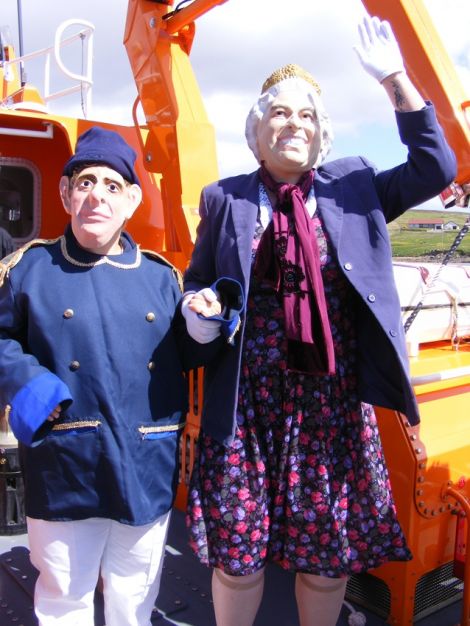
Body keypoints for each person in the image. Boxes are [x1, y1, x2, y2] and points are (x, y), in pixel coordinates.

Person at [180, 14, 457, 626]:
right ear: (257, 130)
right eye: (280, 113)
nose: (294, 124)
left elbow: (438, 167)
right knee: (238, 557)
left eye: (307, 115)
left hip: (329, 408)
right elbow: (200, 278)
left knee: (326, 560)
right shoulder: (223, 198)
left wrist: (394, 82)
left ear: (321, 134)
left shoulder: (352, 186)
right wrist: (198, 311)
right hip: (246, 405)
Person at [0, 126, 224, 626]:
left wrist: (206, 326)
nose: (96, 194)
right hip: (65, 463)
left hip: (143, 463)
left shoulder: (162, 277)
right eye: (84, 183)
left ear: (131, 201)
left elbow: (186, 356)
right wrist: (31, 385)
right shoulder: (29, 268)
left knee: (133, 598)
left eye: (111, 185)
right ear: (64, 194)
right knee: (64, 598)